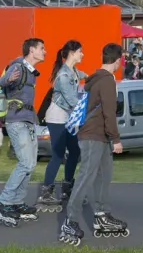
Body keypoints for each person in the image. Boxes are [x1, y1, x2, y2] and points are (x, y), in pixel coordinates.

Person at [60, 43, 127, 245]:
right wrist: (116, 139)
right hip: (93, 135)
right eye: (121, 60)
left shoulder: (96, 78)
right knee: (86, 177)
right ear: (117, 60)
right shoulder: (106, 81)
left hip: (100, 135)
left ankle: (102, 214)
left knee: (104, 175)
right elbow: (109, 112)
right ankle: (70, 221)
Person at [0, 38, 45, 227]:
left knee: (31, 164)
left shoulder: (30, 71)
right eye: (42, 48)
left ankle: (17, 202)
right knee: (25, 163)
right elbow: (2, 81)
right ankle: (4, 202)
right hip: (16, 121)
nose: (44, 51)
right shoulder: (18, 66)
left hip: (28, 121)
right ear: (32, 50)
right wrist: (7, 79)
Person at [37, 40, 87, 213]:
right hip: (57, 118)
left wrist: (100, 77)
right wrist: (89, 110)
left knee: (74, 151)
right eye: (80, 51)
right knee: (58, 155)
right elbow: (72, 101)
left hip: (68, 118)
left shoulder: (73, 71)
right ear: (72, 53)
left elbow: (85, 75)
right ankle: (46, 192)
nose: (82, 54)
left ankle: (67, 187)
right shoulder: (63, 76)